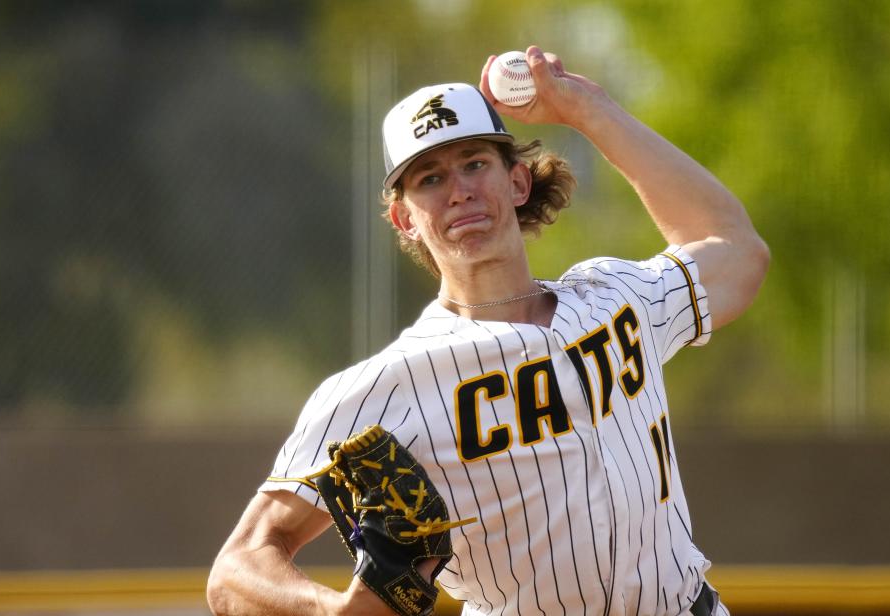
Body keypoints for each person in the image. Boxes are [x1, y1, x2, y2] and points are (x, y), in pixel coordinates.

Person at [207, 45, 769, 616]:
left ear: (518, 182)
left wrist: (591, 111)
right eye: (429, 177)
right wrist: (329, 613)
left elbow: (738, 252)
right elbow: (235, 571)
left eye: (475, 163)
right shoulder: (388, 387)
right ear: (405, 220)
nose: (459, 190)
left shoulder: (613, 297)